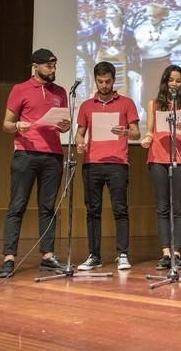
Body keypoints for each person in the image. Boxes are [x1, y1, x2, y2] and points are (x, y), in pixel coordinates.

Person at [0, 48, 71, 278]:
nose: (53, 69)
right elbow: (6, 124)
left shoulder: (60, 92)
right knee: (17, 205)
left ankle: (47, 255)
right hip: (26, 154)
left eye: (54, 65)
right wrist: (18, 126)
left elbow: (64, 124)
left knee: (47, 207)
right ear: (35, 66)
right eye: (49, 66)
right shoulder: (20, 89)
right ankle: (9, 257)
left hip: (53, 155)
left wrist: (65, 127)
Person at [75, 61, 140, 271]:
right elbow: (80, 133)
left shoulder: (127, 103)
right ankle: (94, 255)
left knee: (120, 209)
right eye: (100, 81)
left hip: (118, 163)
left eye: (108, 81)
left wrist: (125, 132)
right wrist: (79, 143)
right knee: (92, 211)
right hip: (92, 163)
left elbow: (136, 133)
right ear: (95, 80)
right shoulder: (86, 105)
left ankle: (122, 253)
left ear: (114, 80)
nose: (104, 85)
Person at [140, 65, 181, 270]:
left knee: (178, 208)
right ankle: (165, 252)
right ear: (165, 82)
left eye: (178, 80)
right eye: (171, 80)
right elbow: (150, 131)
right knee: (163, 207)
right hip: (158, 157)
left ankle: (177, 252)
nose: (174, 84)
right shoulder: (154, 103)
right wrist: (146, 139)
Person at [77, 4, 143, 120]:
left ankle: (119, 120)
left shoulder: (128, 32)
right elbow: (85, 35)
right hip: (102, 68)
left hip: (120, 70)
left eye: (112, 12)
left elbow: (135, 52)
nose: (109, 14)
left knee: (120, 95)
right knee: (99, 91)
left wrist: (135, 69)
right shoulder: (100, 28)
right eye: (108, 12)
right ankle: (98, 119)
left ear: (119, 14)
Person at [135, 3, 178, 114]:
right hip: (147, 64)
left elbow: (178, 40)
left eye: (154, 16)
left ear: (161, 17)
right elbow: (135, 47)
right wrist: (141, 47)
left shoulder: (169, 31)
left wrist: (171, 45)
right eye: (150, 16)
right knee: (146, 87)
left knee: (163, 87)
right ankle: (146, 110)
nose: (152, 19)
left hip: (163, 63)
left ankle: (163, 111)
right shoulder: (142, 31)